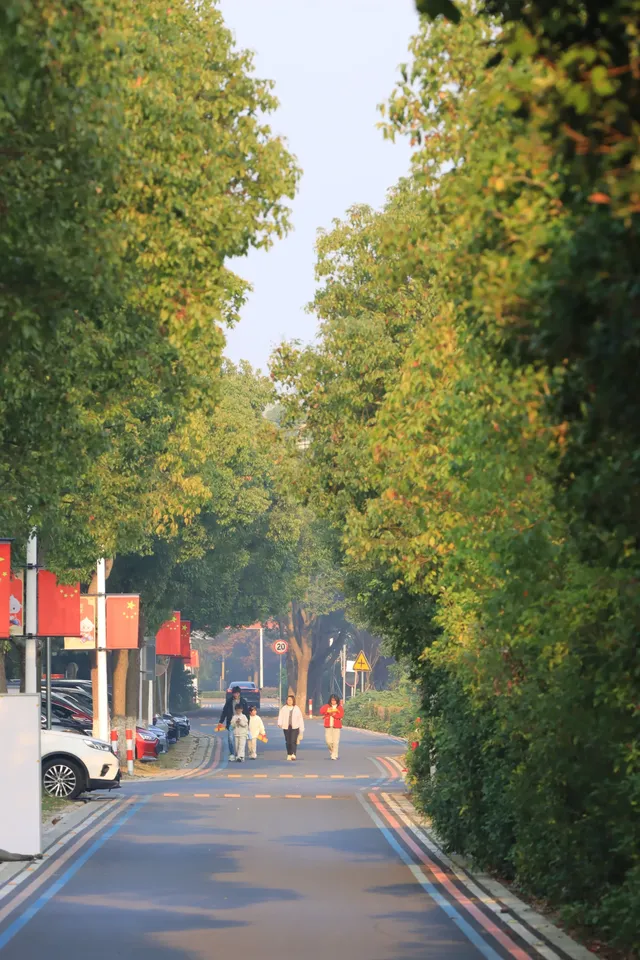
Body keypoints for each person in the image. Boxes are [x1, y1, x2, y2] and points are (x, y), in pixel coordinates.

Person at [219, 685, 249, 761]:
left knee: (241, 740)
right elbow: (224, 711)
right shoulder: (229, 701)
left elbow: (247, 714)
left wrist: (247, 724)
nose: (235, 695)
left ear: (239, 693)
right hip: (231, 723)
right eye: (234, 693)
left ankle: (240, 755)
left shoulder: (243, 702)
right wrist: (221, 721)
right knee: (230, 738)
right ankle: (232, 754)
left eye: (237, 693)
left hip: (241, 725)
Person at [277, 694, 305, 761]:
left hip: (295, 727)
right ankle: (289, 754)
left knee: (293, 741)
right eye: (288, 700)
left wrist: (302, 728)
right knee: (288, 741)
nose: (289, 701)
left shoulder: (296, 708)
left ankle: (293, 754)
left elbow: (300, 718)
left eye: (290, 700)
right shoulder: (284, 708)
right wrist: (279, 723)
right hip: (286, 727)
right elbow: (280, 716)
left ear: (293, 701)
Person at [320, 694, 344, 760]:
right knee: (328, 741)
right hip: (328, 726)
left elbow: (341, 715)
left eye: (334, 700)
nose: (333, 702)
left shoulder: (339, 707)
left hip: (336, 726)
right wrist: (327, 711)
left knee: (335, 742)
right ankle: (332, 751)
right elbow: (321, 711)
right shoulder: (327, 706)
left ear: (337, 701)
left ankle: (334, 755)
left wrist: (334, 715)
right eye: (332, 700)